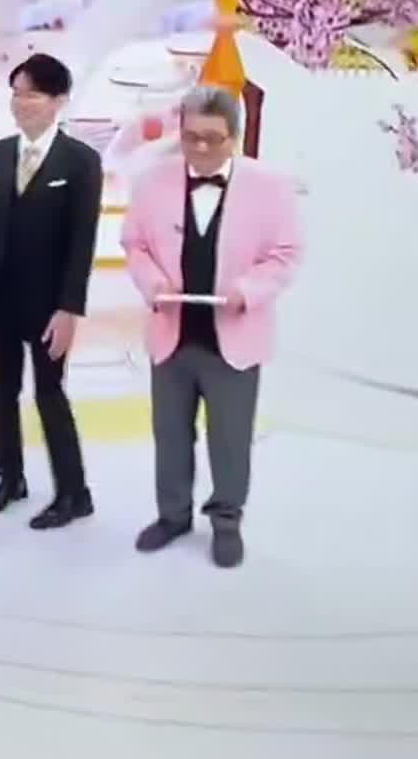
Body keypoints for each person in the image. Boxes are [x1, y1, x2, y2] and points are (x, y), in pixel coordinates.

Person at [118, 85, 300, 568]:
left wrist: (249, 289)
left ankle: (226, 521)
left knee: (230, 439)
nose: (199, 148)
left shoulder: (270, 187)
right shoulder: (152, 180)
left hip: (235, 338)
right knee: (170, 435)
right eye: (191, 137)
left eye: (212, 139)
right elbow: (134, 244)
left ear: (233, 137)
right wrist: (152, 283)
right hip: (171, 335)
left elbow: (286, 254)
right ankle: (172, 515)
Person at [0, 52, 102, 530]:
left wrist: (69, 309)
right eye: (16, 94)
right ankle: (11, 478)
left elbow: (82, 243)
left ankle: (74, 492)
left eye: (33, 95)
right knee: (3, 392)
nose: (21, 103)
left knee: (49, 393)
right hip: (0, 296)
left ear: (59, 100)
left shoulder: (81, 162)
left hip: (49, 304)